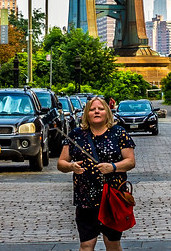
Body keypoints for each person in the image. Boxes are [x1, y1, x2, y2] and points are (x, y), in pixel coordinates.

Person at [58, 96, 136, 251]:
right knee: (86, 245)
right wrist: (71, 166)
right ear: (87, 113)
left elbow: (130, 161)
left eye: (100, 109)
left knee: (112, 244)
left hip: (112, 198)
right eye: (92, 109)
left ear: (107, 112)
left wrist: (113, 167)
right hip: (85, 199)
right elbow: (61, 163)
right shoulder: (76, 135)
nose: (96, 112)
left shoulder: (119, 133)